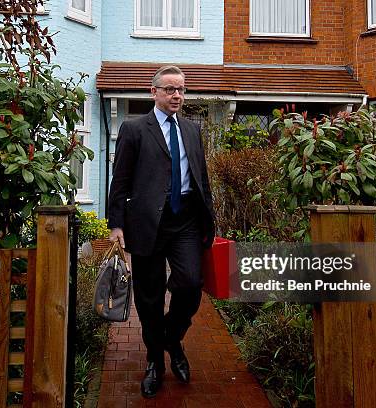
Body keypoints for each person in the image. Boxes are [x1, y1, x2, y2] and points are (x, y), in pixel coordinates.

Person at [107, 65, 215, 398]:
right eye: (170, 89)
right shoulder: (134, 129)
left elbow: (201, 179)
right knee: (149, 297)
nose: (177, 95)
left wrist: (209, 221)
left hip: (184, 221)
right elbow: (121, 179)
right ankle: (156, 359)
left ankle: (172, 337)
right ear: (153, 92)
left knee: (190, 284)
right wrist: (116, 224)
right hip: (147, 223)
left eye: (181, 89)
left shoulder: (192, 130)